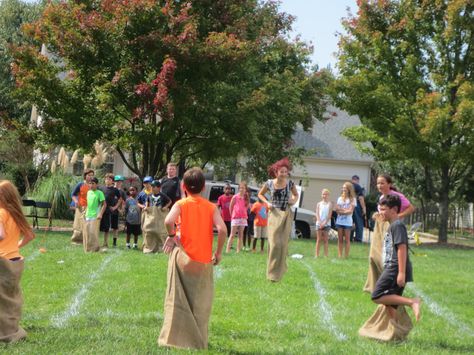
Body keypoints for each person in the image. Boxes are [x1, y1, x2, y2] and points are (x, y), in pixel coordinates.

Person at [158, 167, 226, 350]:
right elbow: (222, 229)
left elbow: (168, 221)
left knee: (177, 299)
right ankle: (196, 341)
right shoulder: (211, 207)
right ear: (204, 187)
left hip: (182, 258)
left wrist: (172, 235)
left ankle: (174, 338)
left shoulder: (180, 204)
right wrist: (218, 253)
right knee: (200, 302)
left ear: (183, 186)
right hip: (203, 261)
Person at [364, 174, 415, 293]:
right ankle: (375, 284)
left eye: (382, 183)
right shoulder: (381, 197)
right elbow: (382, 213)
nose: (379, 185)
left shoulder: (397, 196)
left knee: (388, 256)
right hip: (381, 228)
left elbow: (411, 208)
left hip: (392, 227)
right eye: (378, 183)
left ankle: (390, 281)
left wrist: (398, 216)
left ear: (389, 184)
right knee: (374, 256)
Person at [371, 195, 420, 320]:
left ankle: (412, 302)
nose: (380, 212)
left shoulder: (397, 225)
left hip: (396, 267)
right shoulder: (392, 224)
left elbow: (402, 248)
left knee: (376, 295)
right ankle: (394, 332)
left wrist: (401, 273)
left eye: (383, 209)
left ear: (393, 210)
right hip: (394, 267)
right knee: (391, 304)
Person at [0, 180, 35, 343]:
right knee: (10, 297)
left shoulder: (0, 213)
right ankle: (10, 328)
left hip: (2, 261)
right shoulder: (15, 214)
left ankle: (5, 333)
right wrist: (16, 246)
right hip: (14, 260)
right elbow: (29, 235)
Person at [258, 158, 298, 282]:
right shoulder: (269, 183)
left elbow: (296, 195)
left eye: (285, 172)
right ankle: (271, 274)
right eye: (281, 171)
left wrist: (293, 200)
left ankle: (279, 271)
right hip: (274, 214)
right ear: (276, 172)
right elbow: (260, 194)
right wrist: (267, 203)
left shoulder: (290, 184)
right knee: (274, 244)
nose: (284, 174)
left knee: (283, 244)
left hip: (286, 213)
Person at [142, 180, 171, 253]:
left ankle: (161, 248)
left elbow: (170, 201)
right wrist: (146, 207)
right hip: (151, 216)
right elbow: (147, 202)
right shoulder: (149, 195)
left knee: (160, 231)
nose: (152, 188)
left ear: (158, 188)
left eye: (154, 186)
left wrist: (165, 207)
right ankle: (149, 247)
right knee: (149, 230)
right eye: (151, 186)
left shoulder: (162, 195)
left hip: (160, 216)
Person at [70, 169, 94, 244]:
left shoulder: (93, 185)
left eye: (92, 175)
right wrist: (76, 201)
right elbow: (73, 195)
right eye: (89, 175)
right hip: (80, 207)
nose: (90, 177)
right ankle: (76, 240)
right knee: (79, 224)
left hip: (90, 208)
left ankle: (87, 240)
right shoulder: (80, 184)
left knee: (88, 224)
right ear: (85, 176)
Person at [83, 177, 106, 253]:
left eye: (93, 183)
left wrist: (100, 214)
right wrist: (84, 211)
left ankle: (95, 249)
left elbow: (104, 205)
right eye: (90, 183)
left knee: (93, 233)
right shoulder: (88, 192)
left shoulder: (100, 193)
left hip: (95, 216)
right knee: (87, 233)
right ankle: (87, 249)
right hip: (87, 215)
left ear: (97, 184)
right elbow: (87, 204)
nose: (91, 185)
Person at [99, 173, 122, 249]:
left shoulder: (115, 190)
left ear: (112, 181)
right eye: (106, 179)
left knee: (106, 228)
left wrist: (115, 207)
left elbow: (120, 199)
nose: (107, 180)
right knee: (98, 227)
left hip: (108, 210)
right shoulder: (101, 188)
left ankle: (105, 243)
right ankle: (96, 242)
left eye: (109, 179)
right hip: (100, 210)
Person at [335, 182, 357, 258]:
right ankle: (340, 255)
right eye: (343, 187)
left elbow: (350, 211)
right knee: (340, 239)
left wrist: (342, 211)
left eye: (345, 188)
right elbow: (337, 210)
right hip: (339, 221)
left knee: (347, 240)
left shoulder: (353, 199)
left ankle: (346, 256)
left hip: (348, 222)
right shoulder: (339, 198)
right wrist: (345, 210)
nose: (343, 189)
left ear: (349, 189)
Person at [226, 182, 249, 253]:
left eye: (243, 188)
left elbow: (247, 207)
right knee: (232, 234)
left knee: (240, 235)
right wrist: (232, 215)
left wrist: (244, 213)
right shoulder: (235, 197)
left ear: (245, 189)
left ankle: (238, 250)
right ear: (239, 189)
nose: (242, 189)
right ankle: (227, 250)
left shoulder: (246, 198)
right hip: (235, 218)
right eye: (240, 188)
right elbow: (231, 206)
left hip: (243, 218)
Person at [315, 189, 333, 258]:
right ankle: (317, 254)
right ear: (321, 195)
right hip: (319, 224)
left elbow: (329, 215)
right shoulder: (319, 204)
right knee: (319, 239)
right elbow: (317, 213)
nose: (324, 196)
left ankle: (326, 255)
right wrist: (319, 222)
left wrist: (324, 223)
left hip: (326, 224)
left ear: (328, 195)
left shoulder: (330, 204)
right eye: (323, 194)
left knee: (325, 240)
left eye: (326, 194)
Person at [112, 175, 127, 246]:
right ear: (114, 182)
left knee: (115, 227)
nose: (119, 183)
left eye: (121, 182)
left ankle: (114, 242)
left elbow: (124, 202)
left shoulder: (122, 192)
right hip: (109, 210)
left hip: (116, 212)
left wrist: (122, 210)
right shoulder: (111, 189)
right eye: (118, 181)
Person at [350, 175, 367, 242]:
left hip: (348, 205)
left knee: (350, 222)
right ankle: (358, 238)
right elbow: (360, 198)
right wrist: (364, 208)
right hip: (356, 205)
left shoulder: (348, 186)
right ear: (357, 180)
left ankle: (349, 237)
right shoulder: (357, 186)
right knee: (359, 222)